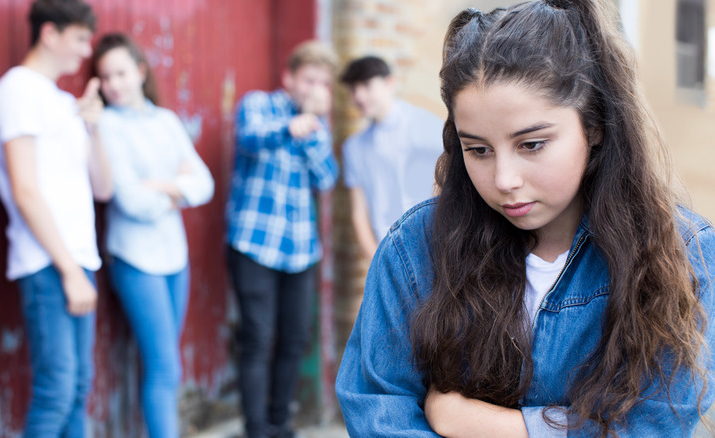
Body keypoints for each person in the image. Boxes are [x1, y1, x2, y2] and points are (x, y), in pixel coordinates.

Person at [335, 1, 715, 437]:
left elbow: (652, 426)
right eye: (478, 149)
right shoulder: (413, 249)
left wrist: (501, 426)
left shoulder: (683, 255)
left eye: (531, 144)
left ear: (594, 127)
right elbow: (378, 411)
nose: (504, 179)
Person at [0, 0, 111, 436]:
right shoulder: (18, 90)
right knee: (57, 392)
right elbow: (26, 190)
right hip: (48, 265)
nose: (84, 49)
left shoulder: (60, 101)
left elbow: (103, 189)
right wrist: (70, 271)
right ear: (49, 33)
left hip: (76, 262)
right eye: (78, 38)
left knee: (77, 390)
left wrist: (92, 126)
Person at [92, 33, 215, 438]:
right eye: (105, 76)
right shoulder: (106, 125)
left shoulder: (165, 121)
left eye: (121, 72)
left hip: (173, 258)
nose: (114, 83)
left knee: (165, 364)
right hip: (134, 259)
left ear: (140, 72)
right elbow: (131, 203)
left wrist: (158, 186)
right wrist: (176, 188)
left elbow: (204, 184)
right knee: (165, 367)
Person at [226, 40, 339, 438]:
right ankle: (256, 429)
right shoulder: (259, 104)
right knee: (257, 339)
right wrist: (295, 126)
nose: (314, 88)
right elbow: (250, 140)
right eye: (309, 79)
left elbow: (327, 178)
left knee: (294, 339)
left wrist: (310, 130)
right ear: (289, 78)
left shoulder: (318, 125)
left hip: (300, 250)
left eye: (322, 83)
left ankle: (279, 424)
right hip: (254, 243)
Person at [339, 56, 443, 259]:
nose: (359, 96)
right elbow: (359, 213)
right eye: (353, 89)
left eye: (367, 85)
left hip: (434, 250)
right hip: (388, 254)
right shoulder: (353, 147)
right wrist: (379, 262)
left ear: (389, 83)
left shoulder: (427, 126)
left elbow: (443, 191)